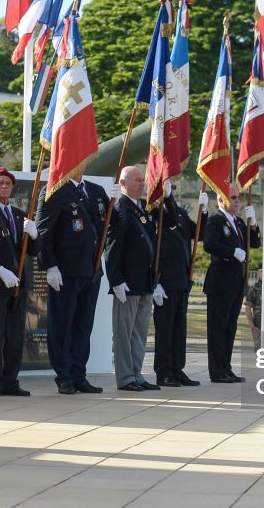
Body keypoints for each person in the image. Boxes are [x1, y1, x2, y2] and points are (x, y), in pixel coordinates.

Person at [36, 165, 115, 394]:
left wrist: (116, 207)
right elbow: (43, 231)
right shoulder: (53, 190)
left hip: (90, 270)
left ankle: (79, 374)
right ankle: (64, 376)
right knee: (63, 324)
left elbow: (110, 226)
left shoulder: (96, 190)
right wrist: (50, 265)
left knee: (83, 326)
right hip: (65, 269)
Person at [0, 167, 37, 397]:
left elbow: (31, 251)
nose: (3, 187)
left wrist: (33, 235)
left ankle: (11, 381)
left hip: (17, 285)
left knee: (14, 337)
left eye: (7, 184)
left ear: (13, 188)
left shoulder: (20, 214)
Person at [106, 166, 159, 391]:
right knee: (123, 335)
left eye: (142, 180)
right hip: (126, 283)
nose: (142, 184)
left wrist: (156, 280)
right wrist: (115, 279)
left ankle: (136, 374)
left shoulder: (143, 209)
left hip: (145, 282)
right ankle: (126, 377)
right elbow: (112, 248)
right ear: (123, 183)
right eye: (137, 180)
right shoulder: (120, 208)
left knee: (139, 334)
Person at [202, 185, 261, 383]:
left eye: (238, 197)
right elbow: (209, 244)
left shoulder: (237, 222)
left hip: (236, 282)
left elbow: (254, 244)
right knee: (218, 328)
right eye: (233, 197)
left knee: (230, 327)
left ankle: (226, 368)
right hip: (220, 282)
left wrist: (253, 224)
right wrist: (231, 252)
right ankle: (217, 371)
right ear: (220, 200)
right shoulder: (215, 221)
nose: (237, 201)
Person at [152, 186, 207, 387]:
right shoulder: (153, 212)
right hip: (164, 281)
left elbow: (199, 233)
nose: (172, 190)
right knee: (165, 329)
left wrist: (205, 211)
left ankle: (178, 369)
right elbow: (152, 250)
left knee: (179, 329)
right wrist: (154, 282)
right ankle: (163, 371)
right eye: (168, 186)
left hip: (182, 280)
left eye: (173, 187)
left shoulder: (180, 213)